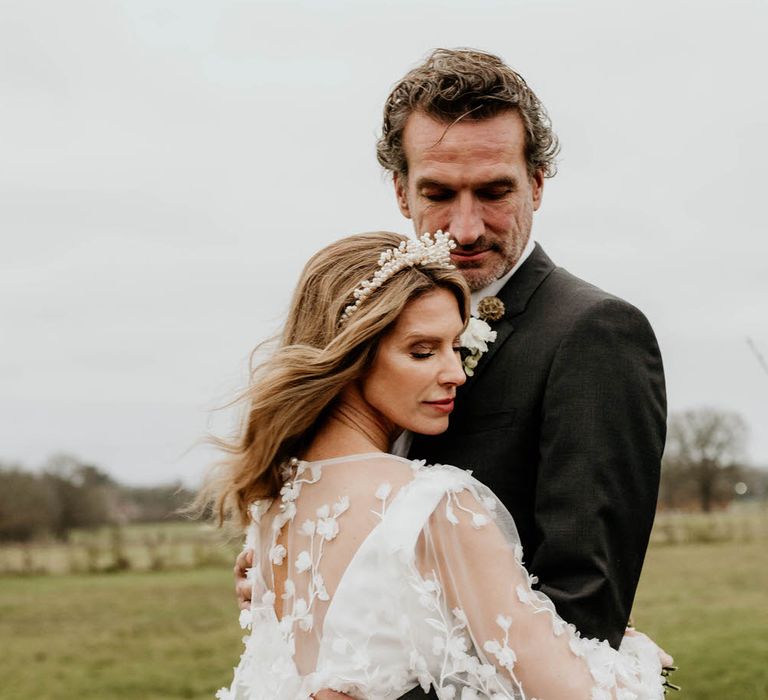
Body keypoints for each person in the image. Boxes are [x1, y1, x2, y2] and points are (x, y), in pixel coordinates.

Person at [235, 47, 667, 674]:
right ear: (400, 192)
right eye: (438, 193)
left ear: (538, 184)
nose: (465, 229)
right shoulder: (366, 329)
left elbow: (583, 608)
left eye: (495, 192)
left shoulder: (596, 334)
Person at [206, 231, 670, 700]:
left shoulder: (275, 501)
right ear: (351, 354)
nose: (455, 373)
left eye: (456, 347)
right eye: (422, 351)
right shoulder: (431, 503)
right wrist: (635, 655)